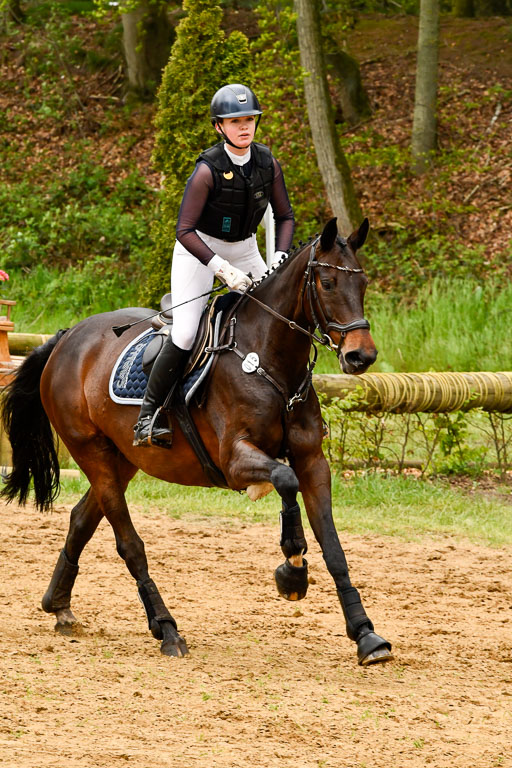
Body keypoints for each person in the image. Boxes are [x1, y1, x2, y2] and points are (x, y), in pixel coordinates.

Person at [133, 83, 295, 446]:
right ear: (219, 126)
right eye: (235, 121)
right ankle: (148, 416)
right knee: (187, 332)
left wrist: (280, 258)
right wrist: (221, 268)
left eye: (249, 119)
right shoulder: (207, 171)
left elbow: (284, 217)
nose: (244, 127)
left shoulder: (268, 163)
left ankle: (288, 405)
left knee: (278, 319)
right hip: (199, 251)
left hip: (247, 249)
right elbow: (183, 230)